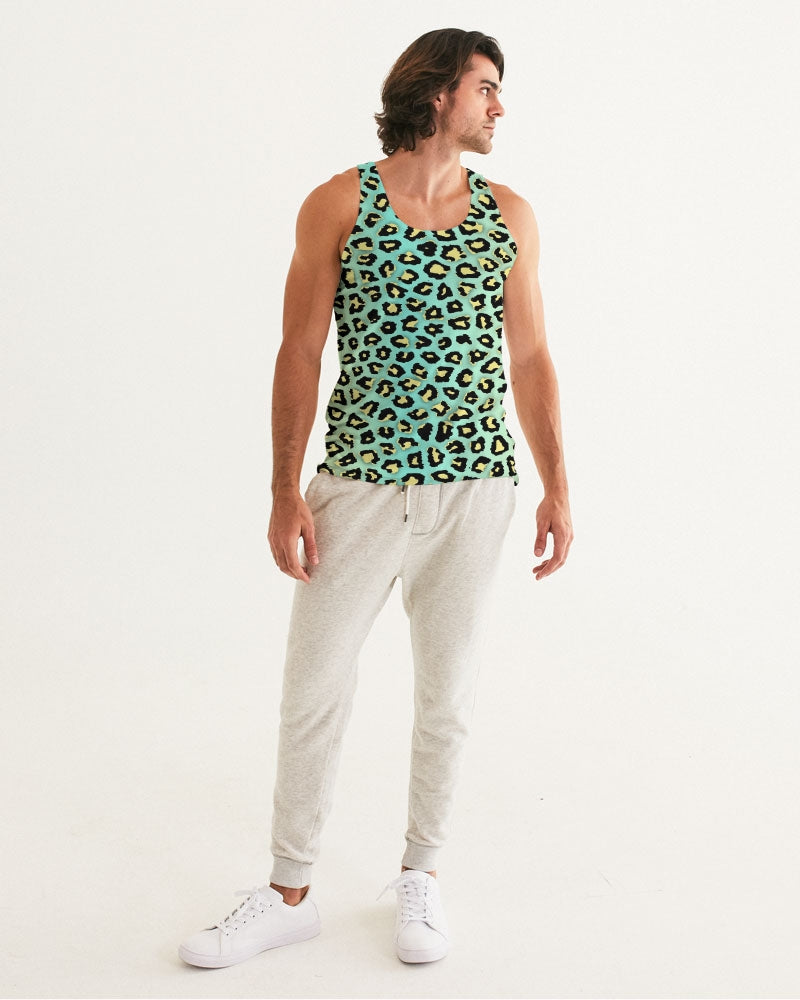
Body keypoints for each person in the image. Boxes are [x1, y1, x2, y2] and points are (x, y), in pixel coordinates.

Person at [178, 26, 573, 970]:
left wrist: (557, 486)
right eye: (486, 87)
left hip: (475, 490)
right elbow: (300, 350)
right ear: (438, 92)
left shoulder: (509, 214)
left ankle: (420, 875)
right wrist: (284, 490)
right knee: (313, 689)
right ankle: (288, 892)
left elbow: (529, 357)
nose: (500, 106)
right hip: (355, 485)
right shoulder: (340, 203)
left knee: (448, 694)